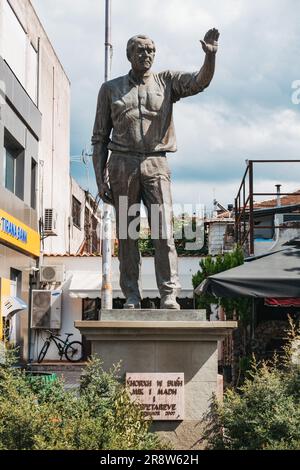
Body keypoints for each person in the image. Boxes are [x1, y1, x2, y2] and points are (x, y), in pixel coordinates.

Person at [92, 29, 219, 309]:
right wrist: (99, 179)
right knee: (128, 235)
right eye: (140, 50)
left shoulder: (167, 82)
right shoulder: (110, 89)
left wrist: (210, 57)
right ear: (129, 55)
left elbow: (200, 82)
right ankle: (132, 296)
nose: (146, 55)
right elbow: (99, 138)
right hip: (122, 164)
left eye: (151, 50)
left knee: (164, 232)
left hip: (156, 162)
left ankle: (169, 294)